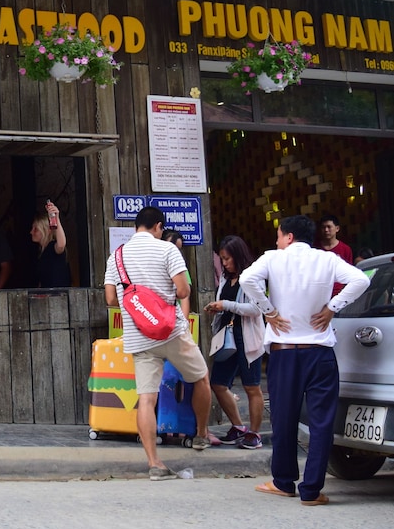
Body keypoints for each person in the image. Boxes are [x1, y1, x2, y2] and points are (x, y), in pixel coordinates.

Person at [239, 215, 369, 506]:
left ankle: (283, 482)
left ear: (288, 236)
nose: (276, 241)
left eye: (278, 235)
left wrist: (268, 311)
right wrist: (333, 307)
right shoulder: (327, 259)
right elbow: (361, 279)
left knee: (284, 418)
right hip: (320, 352)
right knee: (322, 422)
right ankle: (311, 490)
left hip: (285, 352)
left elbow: (247, 279)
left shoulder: (273, 258)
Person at [103, 206, 212, 481]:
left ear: (136, 227)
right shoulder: (168, 250)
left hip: (139, 336)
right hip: (172, 332)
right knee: (201, 378)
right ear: (158, 227)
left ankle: (154, 463)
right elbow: (183, 291)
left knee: (146, 398)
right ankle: (201, 434)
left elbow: (111, 299)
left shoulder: (116, 256)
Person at [203, 235, 264, 449]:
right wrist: (217, 308)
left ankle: (254, 433)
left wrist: (226, 305)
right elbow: (226, 304)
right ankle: (238, 426)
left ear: (238, 256)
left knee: (251, 386)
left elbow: (257, 309)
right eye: (222, 259)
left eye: (227, 258)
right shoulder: (226, 278)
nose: (225, 263)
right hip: (227, 335)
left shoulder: (252, 277)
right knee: (218, 383)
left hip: (247, 335)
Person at [29, 200, 69, 288]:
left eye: (36, 229)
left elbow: (61, 245)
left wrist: (56, 219)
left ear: (47, 230)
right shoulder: (41, 252)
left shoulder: (52, 247)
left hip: (58, 295)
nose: (31, 232)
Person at [162, 228, 191, 321]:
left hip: (174, 317)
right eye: (172, 248)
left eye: (178, 249)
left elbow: (185, 297)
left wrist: (184, 322)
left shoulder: (181, 269)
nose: (175, 252)